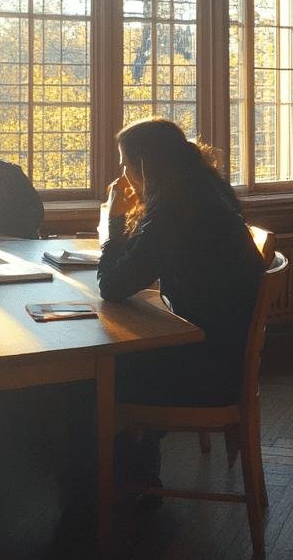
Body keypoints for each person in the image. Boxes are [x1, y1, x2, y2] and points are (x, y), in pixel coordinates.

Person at [96, 117, 267, 487]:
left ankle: (109, 486)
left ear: (145, 163)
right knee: (120, 355)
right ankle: (138, 471)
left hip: (204, 370)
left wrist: (112, 222)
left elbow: (112, 285)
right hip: (222, 353)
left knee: (95, 375)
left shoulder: (175, 208)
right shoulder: (204, 189)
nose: (123, 175)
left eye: (126, 165)